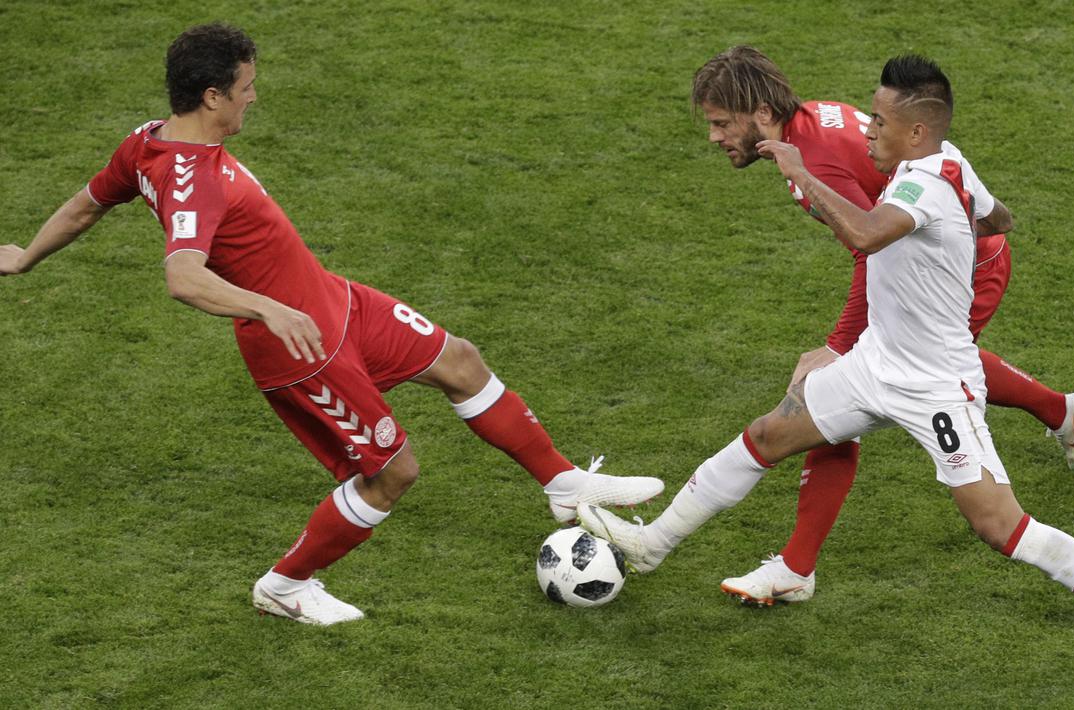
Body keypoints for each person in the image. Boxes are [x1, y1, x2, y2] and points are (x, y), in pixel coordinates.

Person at [0, 23, 662, 626]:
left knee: (459, 360)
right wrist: (267, 307)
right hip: (301, 346)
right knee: (391, 472)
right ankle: (287, 585)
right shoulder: (191, 179)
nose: (252, 99)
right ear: (210, 96)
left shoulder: (144, 141)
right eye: (246, 89)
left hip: (335, 301)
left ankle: (560, 481)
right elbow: (184, 276)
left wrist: (26, 255)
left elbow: (87, 206)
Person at [580, 55, 1074, 665]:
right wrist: (942, 253)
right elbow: (999, 217)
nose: (867, 130)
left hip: (934, 386)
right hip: (875, 362)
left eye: (878, 122)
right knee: (769, 434)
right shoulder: (950, 163)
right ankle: (651, 545)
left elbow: (863, 237)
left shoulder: (920, 182)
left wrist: (811, 175)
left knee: (1000, 527)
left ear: (917, 132)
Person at [688, 46, 1074, 605]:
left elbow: (870, 246)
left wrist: (837, 346)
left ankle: (796, 567)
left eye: (719, 123)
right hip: (951, 250)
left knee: (875, 387)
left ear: (761, 114)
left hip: (966, 267)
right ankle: (1062, 412)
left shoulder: (817, 161)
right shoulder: (812, 120)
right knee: (894, 375)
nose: (714, 137)